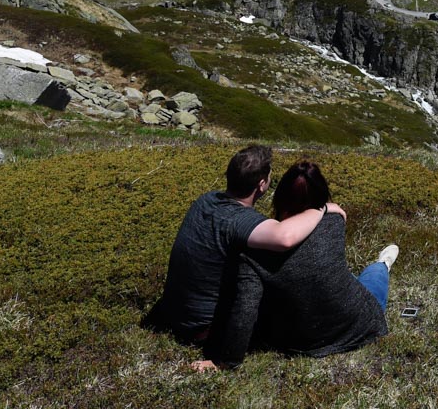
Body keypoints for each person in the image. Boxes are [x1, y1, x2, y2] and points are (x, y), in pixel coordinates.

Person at [195, 160, 398, 370]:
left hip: (303, 340)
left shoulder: (253, 252)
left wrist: (226, 361)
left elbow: (245, 309)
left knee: (359, 280)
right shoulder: (334, 221)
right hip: (358, 322)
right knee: (371, 280)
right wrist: (327, 208)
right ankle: (382, 264)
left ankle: (382, 264)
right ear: (321, 199)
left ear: (280, 196)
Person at [143, 145, 336, 344]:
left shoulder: (206, 200)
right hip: (203, 329)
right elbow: (284, 237)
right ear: (262, 184)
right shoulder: (241, 221)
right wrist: (321, 209)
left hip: (172, 315)